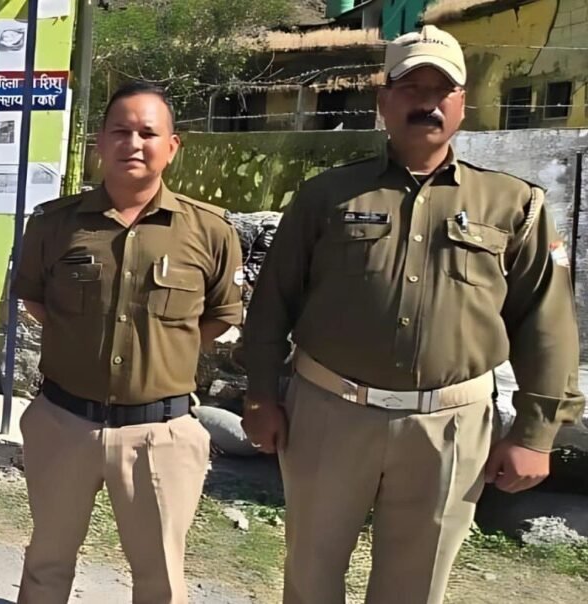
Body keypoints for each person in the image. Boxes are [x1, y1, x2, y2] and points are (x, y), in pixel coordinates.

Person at [237, 25, 585, 604]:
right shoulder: (325, 197)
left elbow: (546, 323)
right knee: (310, 577)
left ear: (462, 103)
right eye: (411, 88)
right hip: (329, 415)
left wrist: (536, 432)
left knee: (416, 589)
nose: (427, 102)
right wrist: (259, 397)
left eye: (441, 90)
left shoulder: (513, 204)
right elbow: (272, 303)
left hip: (449, 427)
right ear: (384, 101)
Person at [13, 82, 245, 604]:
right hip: (64, 424)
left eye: (148, 133)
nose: (133, 143)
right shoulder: (54, 224)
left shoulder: (209, 231)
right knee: (47, 563)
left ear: (172, 146)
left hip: (160, 434)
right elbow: (36, 301)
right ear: (100, 141)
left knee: (160, 576)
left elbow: (218, 317)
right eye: (120, 131)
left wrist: (160, 352)